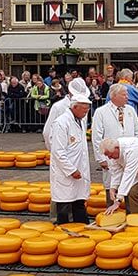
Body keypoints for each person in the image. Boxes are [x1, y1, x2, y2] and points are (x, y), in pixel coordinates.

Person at [92, 83, 138, 206]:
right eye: (124, 95)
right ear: (114, 96)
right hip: (110, 156)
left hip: (130, 157)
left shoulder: (130, 110)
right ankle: (112, 218)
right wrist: (101, 158)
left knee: (130, 188)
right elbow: (97, 137)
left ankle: (130, 217)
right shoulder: (101, 112)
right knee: (112, 186)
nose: (127, 97)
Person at [50, 93, 93, 224]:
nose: (86, 113)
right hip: (66, 172)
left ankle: (82, 227)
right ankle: (63, 230)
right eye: (84, 110)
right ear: (75, 107)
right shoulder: (61, 123)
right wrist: (71, 170)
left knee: (79, 201)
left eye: (87, 110)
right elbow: (58, 151)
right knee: (64, 204)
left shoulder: (80, 121)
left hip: (79, 168)